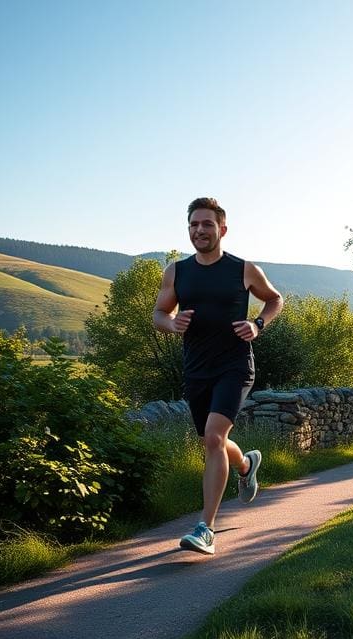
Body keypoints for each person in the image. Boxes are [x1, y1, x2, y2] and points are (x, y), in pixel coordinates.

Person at [153, 197, 283, 555]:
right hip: (197, 369)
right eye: (194, 224)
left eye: (207, 224)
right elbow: (159, 314)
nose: (199, 230)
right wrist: (171, 323)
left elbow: (274, 300)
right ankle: (246, 463)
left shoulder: (243, 270)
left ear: (222, 229)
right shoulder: (177, 271)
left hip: (235, 366)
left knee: (213, 436)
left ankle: (205, 529)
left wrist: (258, 325)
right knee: (213, 442)